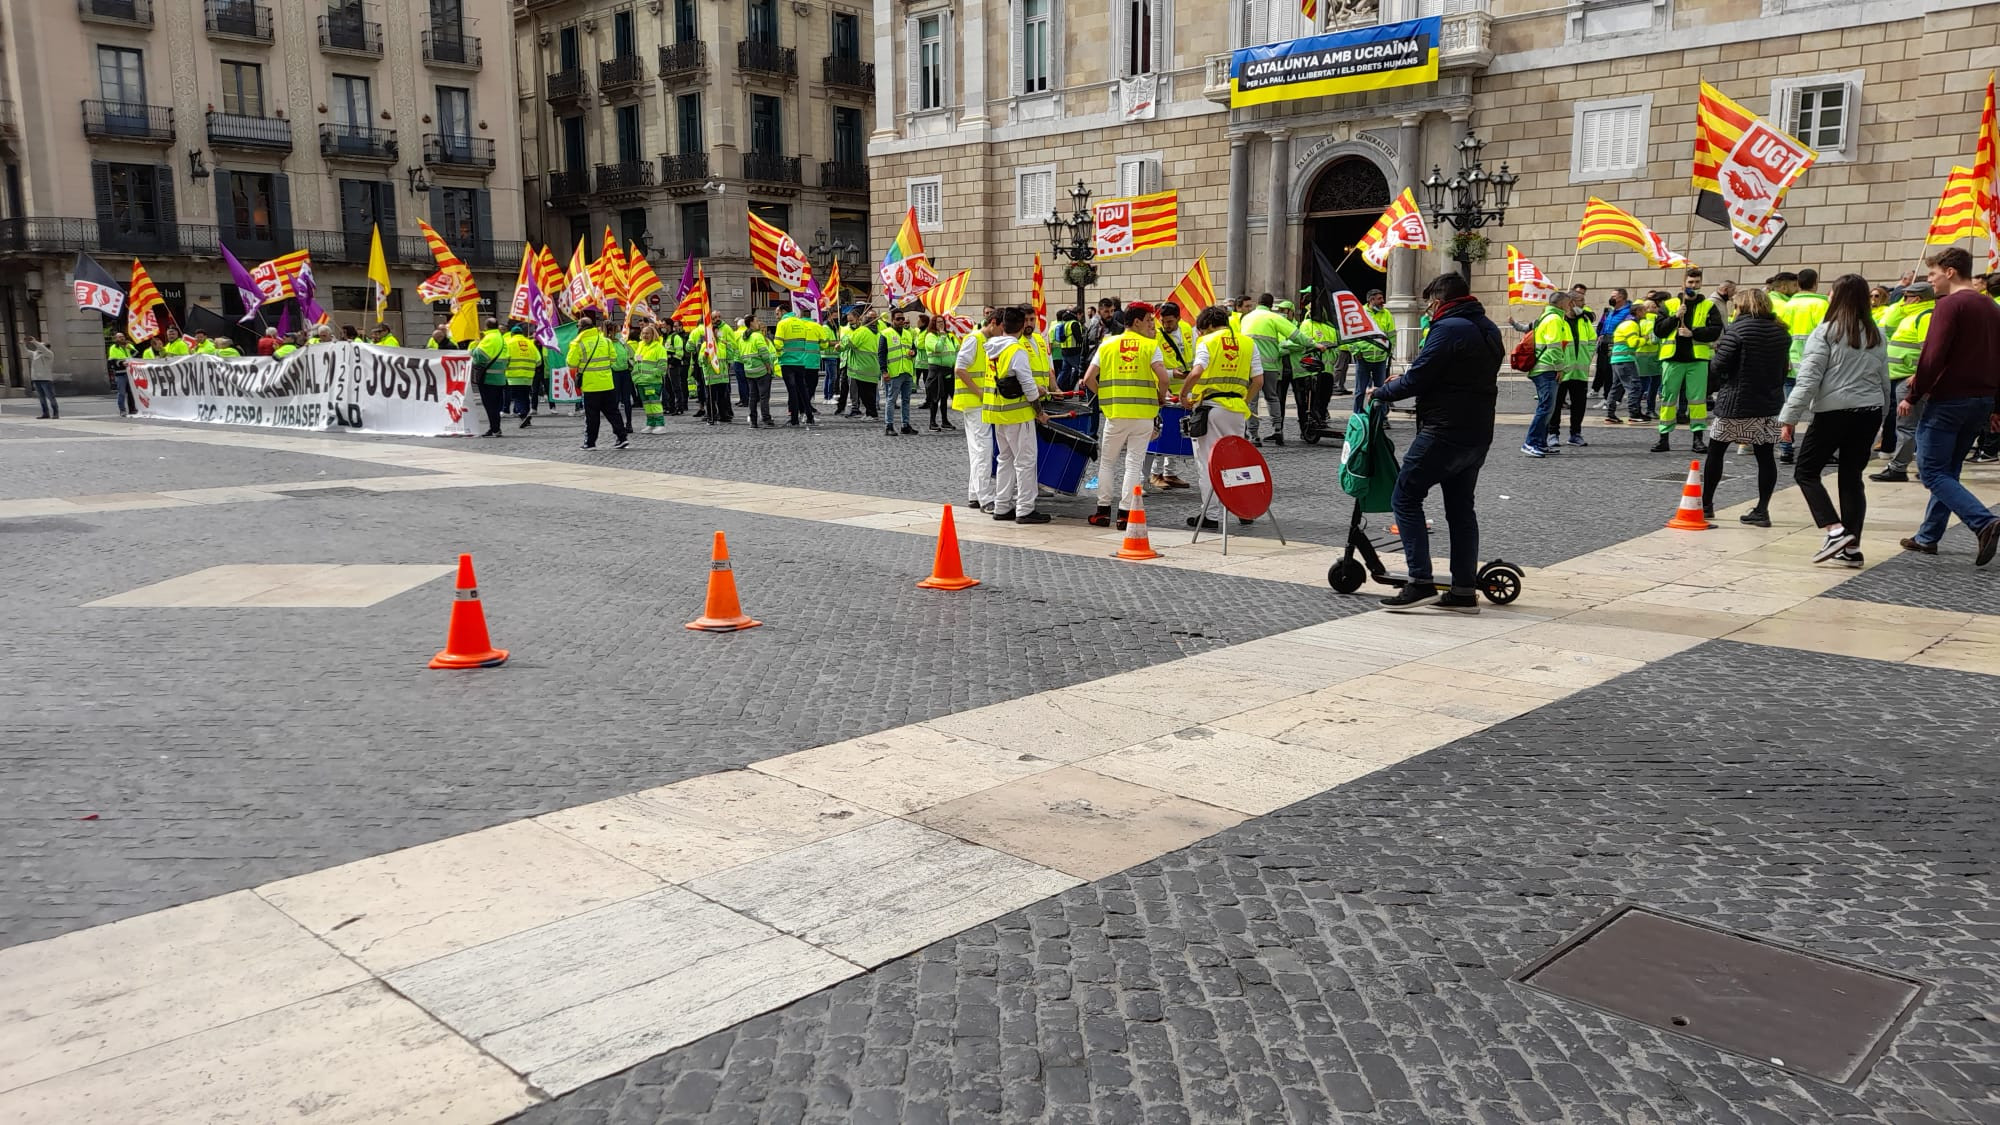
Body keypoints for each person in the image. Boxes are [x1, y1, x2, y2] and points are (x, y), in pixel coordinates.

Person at [1370, 273, 1503, 613]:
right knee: (1460, 510)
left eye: (1429, 303)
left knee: (1405, 496)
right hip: (1477, 432)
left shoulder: (1448, 328)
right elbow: (1453, 374)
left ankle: (1420, 582)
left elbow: (1421, 377)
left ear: (1440, 301)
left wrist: (1382, 391)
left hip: (1444, 430)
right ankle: (1461, 590)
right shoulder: (1488, 327)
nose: (1428, 310)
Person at [1896, 246, 2000, 564]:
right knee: (1949, 471)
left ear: (1950, 271)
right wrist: (1997, 407)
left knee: (1932, 471)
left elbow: (1933, 355)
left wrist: (1913, 396)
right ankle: (1928, 537)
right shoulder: (1992, 307)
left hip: (1949, 400)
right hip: (1980, 401)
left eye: (1933, 273)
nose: (1931, 280)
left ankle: (1983, 522)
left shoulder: (1949, 305)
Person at [1780, 274, 1888, 567]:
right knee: (1852, 477)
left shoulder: (1826, 331)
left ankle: (1834, 529)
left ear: (1836, 297)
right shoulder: (1876, 332)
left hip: (1834, 412)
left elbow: (1808, 380)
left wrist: (1789, 417)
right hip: (1869, 412)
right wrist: (1883, 416)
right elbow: (1884, 381)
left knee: (1806, 471)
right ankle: (1852, 549)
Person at [1702, 289, 1790, 526]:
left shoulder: (1737, 331)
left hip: (1736, 403)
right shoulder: (1781, 332)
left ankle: (1707, 505)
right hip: (1768, 403)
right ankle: (1762, 510)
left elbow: (1718, 366)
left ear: (1742, 307)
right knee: (1765, 457)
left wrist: (1718, 354)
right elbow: (1784, 369)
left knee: (1716, 453)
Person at [1082, 301, 1170, 528]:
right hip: (1143, 415)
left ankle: (1102, 512)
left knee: (1108, 463)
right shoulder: (1150, 346)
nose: (1152, 325)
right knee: (1133, 464)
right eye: (1149, 321)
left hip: (1116, 413)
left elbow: (1088, 379)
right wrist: (1160, 397)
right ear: (1137, 321)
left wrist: (1105, 396)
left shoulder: (1108, 344)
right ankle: (1125, 514)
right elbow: (1164, 378)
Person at [1180, 306, 1263, 530]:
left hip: (1211, 409)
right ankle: (1244, 510)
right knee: (1236, 461)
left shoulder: (1207, 342)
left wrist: (1183, 394)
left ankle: (1211, 515)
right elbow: (1258, 380)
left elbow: (1196, 372)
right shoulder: (1248, 343)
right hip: (1236, 410)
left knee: (1208, 462)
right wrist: (1244, 401)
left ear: (1206, 326)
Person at [985, 305, 1048, 524]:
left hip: (996, 412)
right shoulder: (1016, 350)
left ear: (1003, 325)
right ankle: (1025, 508)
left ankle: (1002, 505)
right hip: (1018, 414)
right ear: (1021, 326)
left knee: (1005, 459)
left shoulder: (992, 347)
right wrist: (1039, 412)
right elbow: (1028, 385)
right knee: (1025, 462)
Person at [1651, 268, 1723, 453]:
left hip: (1697, 360)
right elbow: (1658, 330)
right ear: (1683, 283)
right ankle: (1663, 437)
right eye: (1690, 282)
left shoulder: (1708, 306)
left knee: (1697, 401)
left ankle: (1698, 439)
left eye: (1696, 282)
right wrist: (1675, 317)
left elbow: (1715, 330)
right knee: (1668, 399)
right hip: (1672, 359)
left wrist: (1693, 333)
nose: (1693, 285)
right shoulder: (1669, 304)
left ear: (1701, 284)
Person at [1871, 282, 1936, 482]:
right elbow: (1886, 327)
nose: (1901, 301)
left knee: (1908, 425)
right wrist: (1900, 307)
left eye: (1905, 297)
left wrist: (1919, 374)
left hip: (1909, 377)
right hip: (1900, 375)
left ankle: (1901, 467)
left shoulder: (1925, 316)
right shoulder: (1911, 314)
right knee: (1910, 424)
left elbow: (1929, 349)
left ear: (1916, 298)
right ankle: (1917, 467)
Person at [1522, 291, 1586, 458]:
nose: (1571, 306)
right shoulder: (1555, 319)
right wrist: (1559, 367)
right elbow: (1554, 346)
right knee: (1545, 408)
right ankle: (1531, 442)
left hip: (1544, 367)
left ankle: (1540, 443)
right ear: (1561, 304)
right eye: (1569, 303)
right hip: (1547, 368)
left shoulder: (1548, 317)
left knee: (1547, 408)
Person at [955, 308, 1000, 511]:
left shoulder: (985, 341)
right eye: (1001, 328)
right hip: (975, 403)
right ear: (993, 323)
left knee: (978, 450)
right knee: (983, 450)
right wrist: (980, 392)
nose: (1002, 333)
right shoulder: (974, 339)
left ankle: (975, 494)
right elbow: (959, 368)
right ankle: (985, 498)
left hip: (978, 403)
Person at [1150, 301, 1195, 490]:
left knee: (1178, 431)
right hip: (1165, 387)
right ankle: (1155, 473)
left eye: (1169, 321)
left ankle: (1170, 472)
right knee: (1162, 431)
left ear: (1178, 318)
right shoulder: (1156, 335)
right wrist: (1170, 376)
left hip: (1185, 386)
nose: (1165, 325)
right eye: (1163, 321)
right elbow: (1153, 365)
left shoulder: (1186, 329)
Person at [567, 314, 630, 450]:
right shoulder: (605, 341)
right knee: (613, 413)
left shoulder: (578, 343)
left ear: (581, 328)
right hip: (607, 382)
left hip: (590, 386)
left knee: (592, 416)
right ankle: (622, 437)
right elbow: (613, 358)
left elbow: (571, 362)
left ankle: (590, 443)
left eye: (578, 326)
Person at [1343, 289, 1396, 418]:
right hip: (1363, 358)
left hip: (1380, 358)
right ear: (1371, 300)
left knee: (1381, 389)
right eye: (1379, 298)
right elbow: (1351, 334)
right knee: (1360, 390)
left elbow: (1392, 335)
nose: (1382, 301)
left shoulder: (1386, 314)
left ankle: (1381, 417)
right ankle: (1357, 415)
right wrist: (1356, 351)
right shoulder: (1359, 313)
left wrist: (1389, 351)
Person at [774, 311, 822, 427]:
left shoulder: (782, 323)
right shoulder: (802, 324)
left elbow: (778, 343)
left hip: (787, 362)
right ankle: (810, 416)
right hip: (800, 361)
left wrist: (779, 354)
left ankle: (794, 419)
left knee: (792, 391)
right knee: (803, 390)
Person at [1606, 300, 1648, 424]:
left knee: (1616, 388)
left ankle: (1610, 414)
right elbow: (1633, 342)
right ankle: (1634, 414)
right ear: (1638, 312)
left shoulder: (1625, 323)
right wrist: (1644, 339)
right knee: (1635, 386)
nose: (1646, 312)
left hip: (1616, 359)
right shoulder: (1632, 324)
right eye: (1644, 310)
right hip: (1625, 360)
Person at [881, 309, 919, 436]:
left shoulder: (908, 334)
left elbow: (913, 348)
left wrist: (913, 352)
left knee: (906, 400)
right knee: (891, 399)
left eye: (902, 319)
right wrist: (884, 371)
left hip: (907, 371)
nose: (901, 321)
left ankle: (905, 425)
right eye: (898, 319)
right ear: (892, 320)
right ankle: (889, 425)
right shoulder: (886, 334)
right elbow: (881, 354)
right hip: (894, 372)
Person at [841, 309, 882, 417]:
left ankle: (872, 414)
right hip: (873, 367)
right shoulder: (877, 332)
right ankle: (871, 412)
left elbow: (851, 343)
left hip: (861, 368)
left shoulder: (862, 331)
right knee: (871, 392)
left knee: (864, 393)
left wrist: (841, 344)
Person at [473, 324, 511, 438]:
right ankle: (494, 427)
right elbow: (508, 359)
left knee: (490, 405)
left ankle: (495, 429)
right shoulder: (502, 339)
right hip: (500, 378)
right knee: (496, 405)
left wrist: (473, 350)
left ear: (486, 327)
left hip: (488, 378)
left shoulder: (489, 338)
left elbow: (480, 356)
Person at [921, 315, 958, 431]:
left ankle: (945, 421)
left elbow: (955, 348)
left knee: (944, 396)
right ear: (933, 324)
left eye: (942, 322)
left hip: (948, 370)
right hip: (936, 370)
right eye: (938, 322)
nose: (941, 324)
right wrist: (942, 337)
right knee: (934, 396)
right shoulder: (930, 336)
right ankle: (932, 422)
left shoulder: (948, 336)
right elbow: (938, 348)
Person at [740, 316, 777, 428]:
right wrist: (768, 367)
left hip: (749, 370)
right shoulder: (757, 336)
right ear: (751, 323)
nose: (758, 323)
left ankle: (753, 420)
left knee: (752, 397)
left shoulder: (743, 338)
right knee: (764, 396)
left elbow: (741, 355)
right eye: (756, 321)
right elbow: (764, 354)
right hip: (761, 370)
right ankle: (766, 418)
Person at [501, 322, 540, 428]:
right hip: (528, 376)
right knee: (525, 396)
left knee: (517, 397)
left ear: (512, 334)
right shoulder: (530, 343)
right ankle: (527, 418)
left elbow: (505, 358)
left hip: (513, 375)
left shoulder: (508, 342)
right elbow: (539, 361)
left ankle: (523, 414)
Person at [24, 336, 58, 418]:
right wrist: (23, 345)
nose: (38, 347)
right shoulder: (35, 354)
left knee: (50, 397)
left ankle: (55, 413)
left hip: (46, 379)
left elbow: (43, 349)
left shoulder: (49, 354)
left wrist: (35, 342)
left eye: (41, 346)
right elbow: (25, 353)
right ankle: (45, 413)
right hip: (36, 379)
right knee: (41, 398)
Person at [106, 332, 136, 416]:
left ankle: (132, 409)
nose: (122, 338)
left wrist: (130, 348)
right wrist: (122, 363)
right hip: (120, 374)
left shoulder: (128, 346)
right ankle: (122, 410)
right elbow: (112, 361)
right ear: (116, 339)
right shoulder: (113, 348)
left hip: (130, 373)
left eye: (122, 336)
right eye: (119, 337)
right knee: (122, 392)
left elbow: (136, 355)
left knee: (131, 392)